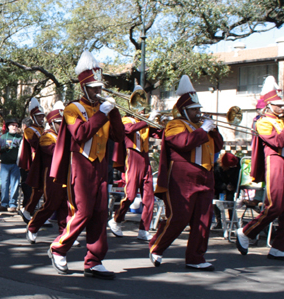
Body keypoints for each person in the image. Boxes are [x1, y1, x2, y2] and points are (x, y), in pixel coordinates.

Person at [46, 51, 125, 279]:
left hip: (101, 167)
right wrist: (101, 114)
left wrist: (115, 112)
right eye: (93, 88)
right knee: (83, 211)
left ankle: (94, 260)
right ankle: (58, 248)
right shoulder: (73, 109)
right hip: (80, 165)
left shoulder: (104, 109)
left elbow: (118, 137)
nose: (98, 91)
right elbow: (80, 134)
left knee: (101, 212)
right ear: (83, 87)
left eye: (100, 87)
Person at [149, 75, 224, 270]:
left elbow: (218, 146)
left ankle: (195, 258)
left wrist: (213, 130)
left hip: (205, 175)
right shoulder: (175, 125)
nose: (199, 113)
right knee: (179, 216)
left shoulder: (203, 127)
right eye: (194, 110)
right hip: (182, 177)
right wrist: (203, 130)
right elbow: (183, 143)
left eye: (199, 109)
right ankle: (157, 246)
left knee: (203, 219)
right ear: (184, 111)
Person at [235, 76, 284, 262]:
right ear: (268, 106)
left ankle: (278, 248)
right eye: (278, 105)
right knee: (274, 206)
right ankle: (245, 231)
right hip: (274, 163)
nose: (283, 107)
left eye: (283, 105)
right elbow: (278, 141)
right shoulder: (262, 122)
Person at [108, 84, 158, 242]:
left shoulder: (144, 121)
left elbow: (159, 134)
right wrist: (148, 120)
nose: (141, 108)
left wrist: (164, 121)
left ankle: (144, 229)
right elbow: (128, 130)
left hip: (145, 158)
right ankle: (116, 219)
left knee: (149, 197)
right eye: (138, 104)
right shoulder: (126, 119)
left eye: (143, 104)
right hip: (132, 158)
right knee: (129, 196)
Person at [26, 103, 67, 244]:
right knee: (51, 204)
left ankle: (64, 234)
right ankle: (33, 227)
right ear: (52, 123)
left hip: (66, 174)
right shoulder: (46, 137)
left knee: (65, 206)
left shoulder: (64, 136)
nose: (62, 126)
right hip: (52, 176)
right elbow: (56, 152)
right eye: (59, 123)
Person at [19, 98, 47, 222]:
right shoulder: (29, 130)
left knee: (44, 190)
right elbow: (36, 144)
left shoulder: (44, 130)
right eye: (39, 117)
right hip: (34, 164)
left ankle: (39, 213)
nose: (42, 119)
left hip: (45, 162)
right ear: (34, 117)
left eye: (42, 116)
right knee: (34, 190)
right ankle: (29, 210)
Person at [0, 117, 22, 212]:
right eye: (13, 125)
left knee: (15, 185)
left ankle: (13, 204)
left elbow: (23, 151)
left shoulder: (20, 138)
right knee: (4, 185)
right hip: (4, 164)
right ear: (8, 126)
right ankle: (4, 204)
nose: (15, 127)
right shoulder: (3, 137)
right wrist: (4, 148)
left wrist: (17, 148)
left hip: (15, 164)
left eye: (16, 125)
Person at [212, 152, 240, 230]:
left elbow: (238, 178)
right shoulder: (217, 167)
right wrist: (224, 186)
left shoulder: (237, 165)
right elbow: (214, 182)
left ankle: (232, 221)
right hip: (219, 186)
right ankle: (218, 222)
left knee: (230, 200)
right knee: (215, 200)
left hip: (231, 185)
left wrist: (233, 185)